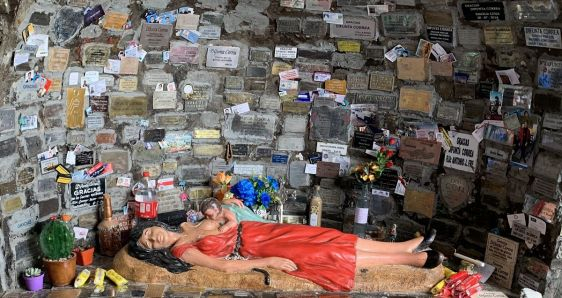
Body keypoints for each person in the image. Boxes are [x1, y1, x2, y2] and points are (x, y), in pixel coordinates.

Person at [129, 220, 441, 292]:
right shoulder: (182, 250)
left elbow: (226, 218)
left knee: (330, 237)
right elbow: (223, 268)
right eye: (149, 244)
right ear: (157, 251)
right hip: (258, 247)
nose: (153, 238)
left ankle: (405, 246)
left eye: (148, 232)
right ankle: (409, 258)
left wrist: (228, 215)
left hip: (260, 229)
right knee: (329, 254)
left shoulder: (186, 223)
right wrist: (268, 262)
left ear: (154, 224)